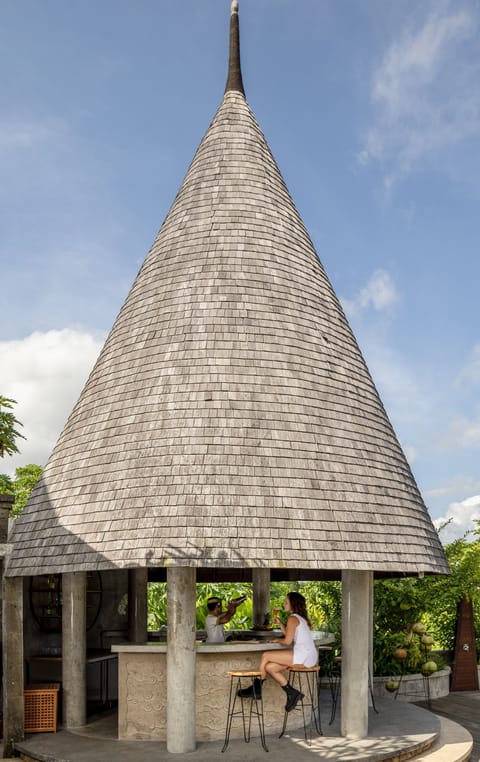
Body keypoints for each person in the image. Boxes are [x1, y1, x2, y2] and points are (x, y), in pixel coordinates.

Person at [237, 591, 317, 712]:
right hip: (308, 655)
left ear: (293, 604)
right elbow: (290, 636)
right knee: (270, 667)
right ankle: (292, 692)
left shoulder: (292, 618)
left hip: (303, 655)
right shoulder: (299, 618)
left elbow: (287, 641)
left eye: (286, 602)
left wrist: (276, 640)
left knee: (266, 655)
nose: (284, 604)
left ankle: (256, 688)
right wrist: (280, 624)